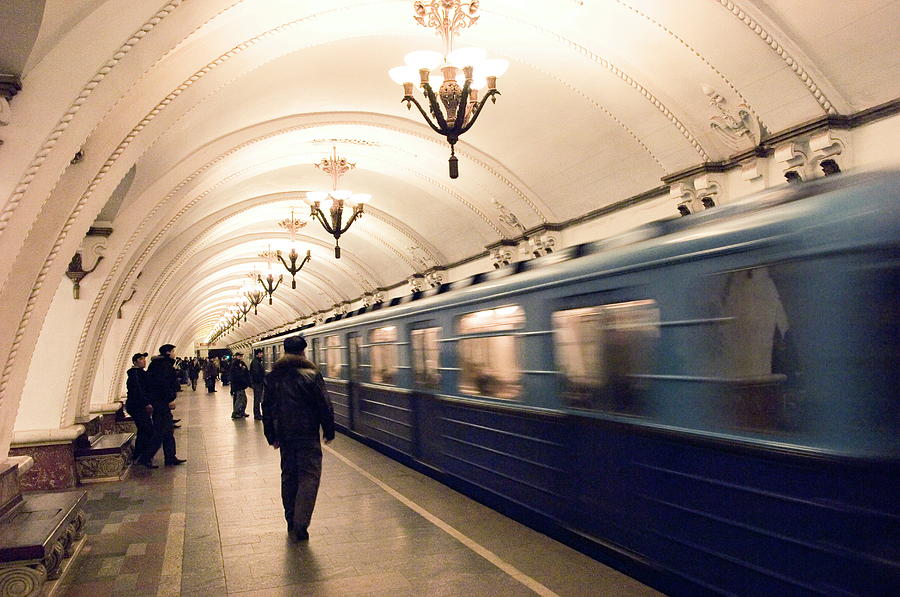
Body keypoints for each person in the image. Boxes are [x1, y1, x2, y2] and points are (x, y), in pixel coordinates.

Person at [263, 335, 335, 541]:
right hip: (307, 435)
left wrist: (271, 436)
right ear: (304, 352)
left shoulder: (272, 377)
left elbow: (267, 408)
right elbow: (324, 405)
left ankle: (290, 520)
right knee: (309, 476)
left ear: (284, 352)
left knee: (288, 475)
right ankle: (301, 523)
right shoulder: (312, 375)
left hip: (285, 436)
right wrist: (328, 431)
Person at [145, 344, 186, 465]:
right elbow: (165, 385)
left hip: (157, 402)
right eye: (173, 351)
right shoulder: (164, 366)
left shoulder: (156, 365)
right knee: (161, 431)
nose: (174, 353)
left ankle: (170, 457)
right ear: (168, 353)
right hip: (162, 403)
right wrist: (170, 399)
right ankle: (147, 456)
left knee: (167, 431)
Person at [125, 352, 157, 468]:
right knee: (148, 430)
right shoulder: (135, 375)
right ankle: (143, 457)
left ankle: (139, 456)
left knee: (144, 430)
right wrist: (147, 403)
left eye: (144, 359)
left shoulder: (139, 373)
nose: (144, 361)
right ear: (135, 362)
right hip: (137, 407)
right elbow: (139, 391)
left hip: (138, 406)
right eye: (141, 359)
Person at [230, 353, 251, 419]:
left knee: (244, 399)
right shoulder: (234, 364)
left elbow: (246, 372)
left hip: (241, 385)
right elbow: (236, 375)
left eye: (241, 356)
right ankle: (235, 413)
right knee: (239, 399)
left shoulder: (241, 363)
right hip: (237, 385)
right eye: (239, 356)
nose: (241, 357)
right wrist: (242, 369)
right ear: (236, 356)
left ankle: (241, 411)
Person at [249, 348, 266, 420]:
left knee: (258, 399)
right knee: (257, 399)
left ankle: (258, 414)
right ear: (257, 354)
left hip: (257, 383)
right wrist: (261, 380)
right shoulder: (256, 362)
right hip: (257, 383)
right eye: (260, 353)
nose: (262, 354)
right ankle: (257, 414)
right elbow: (256, 374)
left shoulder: (257, 361)